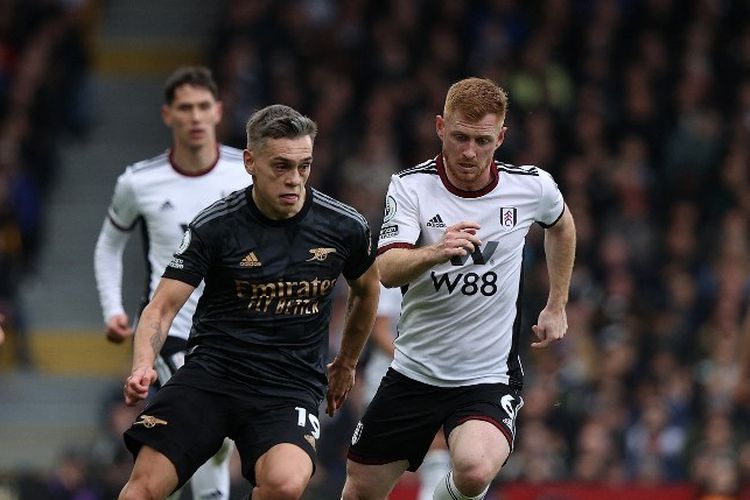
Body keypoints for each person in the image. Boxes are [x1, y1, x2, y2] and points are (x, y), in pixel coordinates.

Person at [118, 104, 380, 500]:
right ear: (250, 161)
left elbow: (367, 289)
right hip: (212, 376)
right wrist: (142, 365)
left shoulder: (344, 226)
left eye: (304, 166)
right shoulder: (215, 226)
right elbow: (162, 307)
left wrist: (346, 362)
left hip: (289, 385)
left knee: (285, 483)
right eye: (280, 166)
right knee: (142, 490)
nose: (294, 180)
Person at [343, 77, 576, 500]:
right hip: (413, 373)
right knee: (360, 491)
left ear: (501, 137)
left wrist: (556, 305)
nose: (469, 151)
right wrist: (436, 252)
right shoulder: (411, 185)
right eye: (459, 137)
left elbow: (561, 225)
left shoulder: (531, 187)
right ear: (439, 128)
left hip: (486, 378)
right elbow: (389, 270)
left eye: (482, 140)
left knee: (474, 469)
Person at [93, 66, 251, 500]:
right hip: (172, 327)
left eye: (204, 107)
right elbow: (108, 245)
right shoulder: (139, 181)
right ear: (168, 115)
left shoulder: (247, 172)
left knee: (210, 435)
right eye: (185, 108)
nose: (195, 117)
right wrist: (113, 309)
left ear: (218, 111)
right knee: (208, 417)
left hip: (235, 329)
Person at [360, 285, 451, 500]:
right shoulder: (395, 268)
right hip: (390, 376)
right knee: (380, 456)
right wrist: (414, 362)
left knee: (436, 443)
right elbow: (379, 330)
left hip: (434, 374)